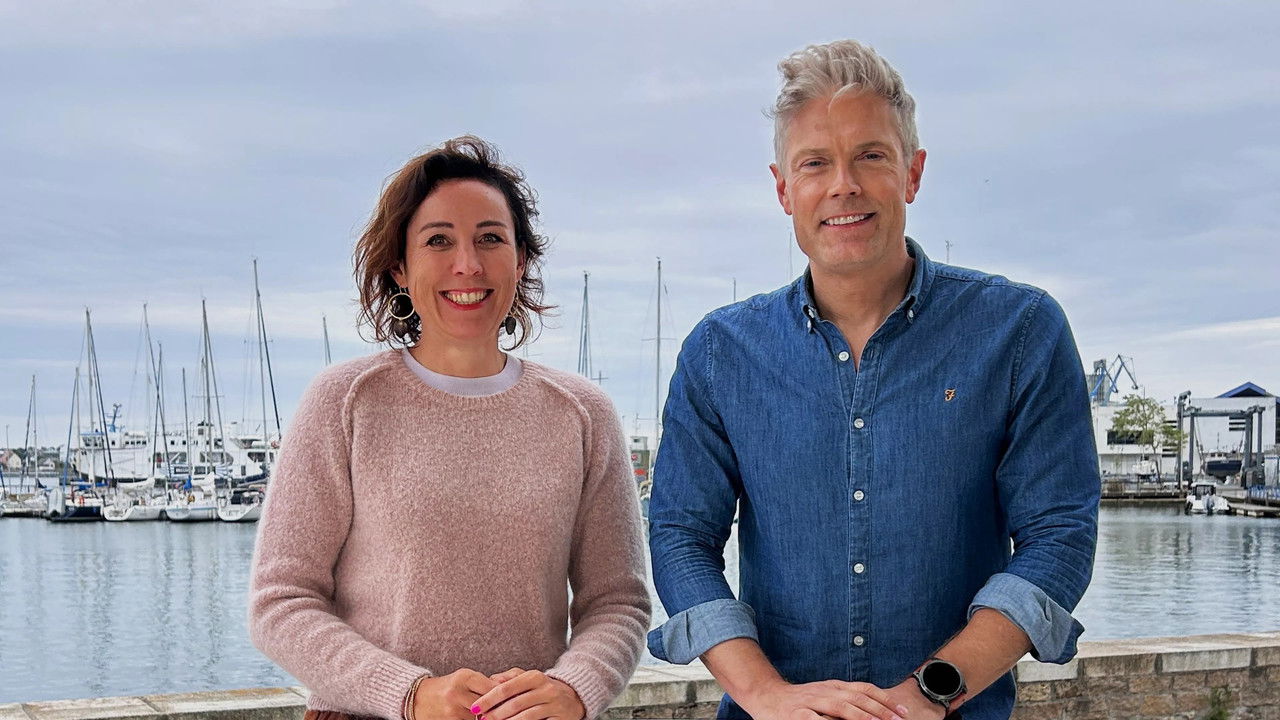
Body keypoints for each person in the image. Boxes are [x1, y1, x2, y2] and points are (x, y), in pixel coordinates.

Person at [647, 40, 1099, 720]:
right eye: (815, 163)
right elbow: (681, 537)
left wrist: (928, 694)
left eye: (871, 156)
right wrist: (767, 695)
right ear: (783, 189)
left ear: (912, 173)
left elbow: (1058, 536)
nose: (844, 185)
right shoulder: (720, 353)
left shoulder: (1021, 332)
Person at [249, 136, 650, 720]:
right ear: (400, 268)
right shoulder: (345, 401)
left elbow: (618, 602)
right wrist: (410, 694)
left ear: (521, 261)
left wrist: (574, 688)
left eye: (491, 238)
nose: (468, 264)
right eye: (438, 240)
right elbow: (280, 602)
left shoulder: (583, 413)